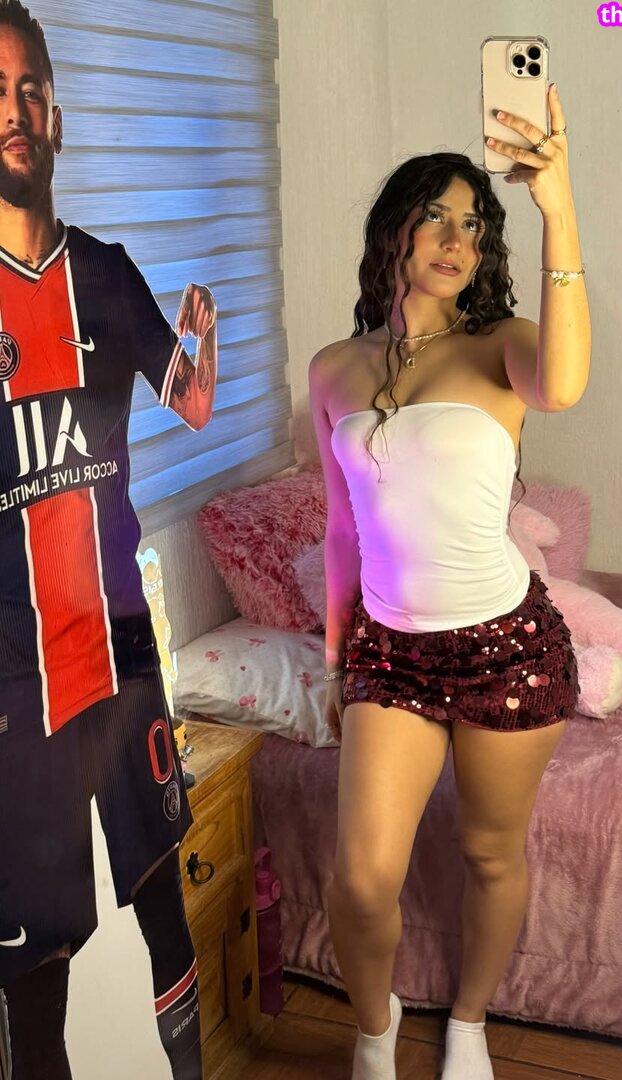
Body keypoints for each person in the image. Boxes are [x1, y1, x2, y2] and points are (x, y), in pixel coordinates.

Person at [308, 84, 591, 1080]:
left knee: (489, 854)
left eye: (474, 223)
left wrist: (556, 204)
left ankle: (468, 1022)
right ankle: (375, 1032)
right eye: (436, 214)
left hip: (508, 649)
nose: (456, 238)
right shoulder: (335, 368)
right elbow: (342, 527)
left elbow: (565, 384)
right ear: (396, 228)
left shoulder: (501, 348)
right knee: (360, 880)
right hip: (391, 652)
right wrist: (336, 659)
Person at [0, 3, 217, 1077]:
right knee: (35, 965)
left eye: (30, 90)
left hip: (124, 651)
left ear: (59, 113)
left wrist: (202, 349)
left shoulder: (106, 271)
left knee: (162, 898)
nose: (14, 111)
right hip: (14, 676)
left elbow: (189, 401)